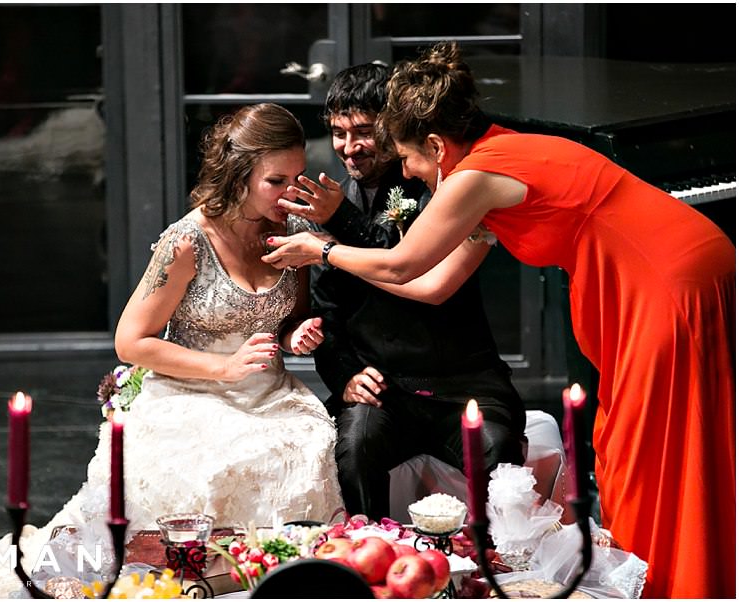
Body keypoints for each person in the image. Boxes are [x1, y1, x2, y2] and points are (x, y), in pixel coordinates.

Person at [263, 43, 735, 599]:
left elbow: (401, 261)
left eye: (410, 159)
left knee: (652, 435)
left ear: (437, 147)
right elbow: (433, 285)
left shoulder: (475, 175)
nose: (408, 172)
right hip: (667, 262)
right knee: (641, 433)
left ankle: (679, 581)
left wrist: (321, 251)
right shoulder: (501, 156)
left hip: (657, 274)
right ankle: (671, 570)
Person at [0, 103, 344, 598]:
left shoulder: (293, 230)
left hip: (269, 393)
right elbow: (131, 341)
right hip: (190, 390)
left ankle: (269, 582)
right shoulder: (188, 242)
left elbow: (288, 317)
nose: (289, 194)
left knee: (306, 445)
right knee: (205, 465)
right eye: (276, 181)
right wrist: (224, 368)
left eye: (296, 178)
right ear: (238, 175)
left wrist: (295, 334)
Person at [302, 62, 526, 522]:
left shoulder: (436, 185)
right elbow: (326, 318)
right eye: (338, 133)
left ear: (392, 124)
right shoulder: (331, 205)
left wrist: (340, 222)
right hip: (386, 389)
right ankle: (370, 560)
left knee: (496, 448)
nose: (349, 148)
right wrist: (345, 375)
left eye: (362, 131)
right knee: (355, 447)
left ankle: (502, 570)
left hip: (461, 381)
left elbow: (409, 261)